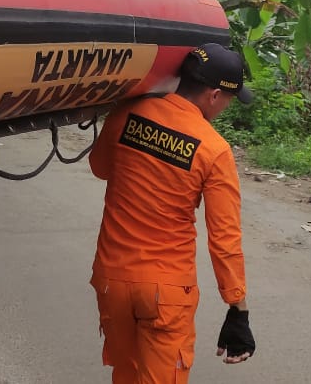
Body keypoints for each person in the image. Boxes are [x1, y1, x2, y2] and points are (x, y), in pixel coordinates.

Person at [89, 43, 256, 384]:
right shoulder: (214, 149)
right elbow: (224, 239)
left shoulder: (126, 113)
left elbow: (100, 167)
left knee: (126, 375)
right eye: (229, 99)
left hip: (112, 280)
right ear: (213, 95)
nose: (225, 107)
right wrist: (236, 306)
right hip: (165, 293)